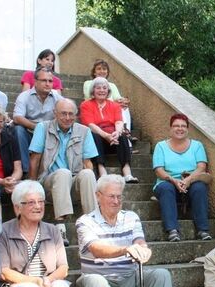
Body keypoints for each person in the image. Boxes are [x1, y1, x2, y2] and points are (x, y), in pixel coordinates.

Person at [28, 98, 98, 245]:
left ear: (76, 115)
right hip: (48, 183)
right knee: (63, 172)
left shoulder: (84, 131)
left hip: (72, 183)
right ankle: (60, 228)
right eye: (63, 114)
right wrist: (32, 187)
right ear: (55, 113)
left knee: (88, 173)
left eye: (71, 114)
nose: (67, 118)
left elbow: (88, 163)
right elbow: (35, 158)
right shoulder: (43, 127)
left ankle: (93, 225)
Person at [152, 113, 211, 242]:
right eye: (176, 126)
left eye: (183, 126)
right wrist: (174, 180)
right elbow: (158, 170)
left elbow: (201, 167)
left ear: (188, 129)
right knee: (166, 188)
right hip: (168, 182)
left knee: (200, 187)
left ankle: (203, 230)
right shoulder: (161, 146)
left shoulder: (197, 145)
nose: (180, 128)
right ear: (170, 129)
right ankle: (172, 230)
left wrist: (187, 180)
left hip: (191, 182)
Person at [79, 77, 138, 183]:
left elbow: (119, 122)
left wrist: (117, 133)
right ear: (93, 90)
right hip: (98, 139)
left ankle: (127, 172)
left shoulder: (114, 105)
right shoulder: (86, 105)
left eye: (104, 88)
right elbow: (90, 124)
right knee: (93, 135)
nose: (102, 90)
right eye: (98, 88)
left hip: (113, 140)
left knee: (123, 136)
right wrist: (106, 135)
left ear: (108, 91)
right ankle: (102, 171)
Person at [13, 67, 63, 173]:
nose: (48, 84)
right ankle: (26, 170)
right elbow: (17, 117)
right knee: (18, 130)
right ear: (35, 82)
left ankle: (55, 170)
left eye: (50, 81)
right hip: (29, 132)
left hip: (49, 134)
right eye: (44, 80)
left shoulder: (57, 97)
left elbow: (65, 113)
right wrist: (38, 128)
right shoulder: (24, 96)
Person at [82, 59, 133, 134]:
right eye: (99, 69)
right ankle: (122, 131)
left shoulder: (112, 85)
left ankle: (125, 131)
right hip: (95, 108)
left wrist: (123, 101)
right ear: (94, 72)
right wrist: (116, 103)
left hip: (111, 109)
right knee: (118, 106)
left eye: (104, 69)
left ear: (107, 72)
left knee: (124, 107)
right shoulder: (89, 83)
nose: (102, 71)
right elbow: (90, 96)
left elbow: (118, 98)